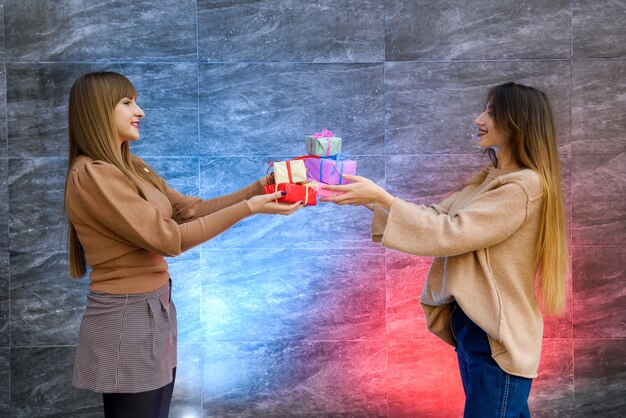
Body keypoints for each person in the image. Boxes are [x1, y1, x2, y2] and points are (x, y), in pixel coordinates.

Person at [321, 82, 568, 417]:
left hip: (497, 335)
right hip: (475, 328)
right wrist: (370, 201)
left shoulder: (523, 187)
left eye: (491, 112)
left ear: (517, 121)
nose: (479, 118)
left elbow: (451, 233)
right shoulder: (488, 180)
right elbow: (437, 217)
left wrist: (381, 197)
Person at [64, 71, 300, 418]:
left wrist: (256, 190)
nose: (140, 111)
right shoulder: (93, 176)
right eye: (127, 102)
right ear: (98, 111)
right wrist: (248, 209)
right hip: (126, 318)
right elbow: (170, 239)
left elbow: (188, 212)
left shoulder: (133, 167)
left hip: (155, 308)